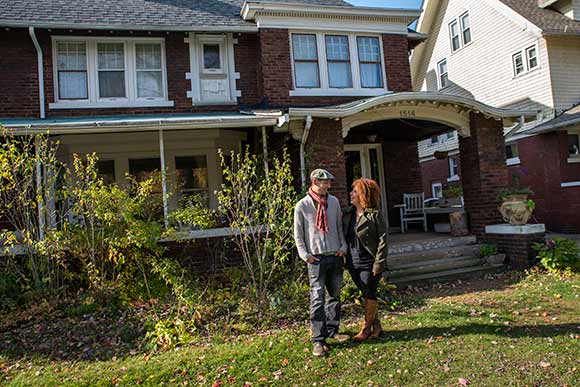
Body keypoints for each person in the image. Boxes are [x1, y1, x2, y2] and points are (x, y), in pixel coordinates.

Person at [293, 168, 347, 357]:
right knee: (317, 298)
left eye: (330, 182)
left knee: (335, 296)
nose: (329, 186)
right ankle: (318, 339)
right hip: (315, 259)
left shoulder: (334, 202)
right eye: (325, 182)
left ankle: (332, 331)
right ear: (315, 182)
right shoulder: (302, 205)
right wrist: (305, 255)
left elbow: (339, 227)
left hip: (335, 255)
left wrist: (343, 246)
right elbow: (298, 234)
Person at [343, 178, 388, 341]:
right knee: (366, 293)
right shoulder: (348, 213)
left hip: (369, 261)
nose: (351, 193)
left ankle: (366, 328)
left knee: (369, 293)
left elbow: (383, 239)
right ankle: (377, 327)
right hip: (352, 261)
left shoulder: (374, 215)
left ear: (362, 194)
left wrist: (379, 264)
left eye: (354, 191)